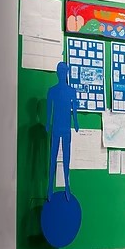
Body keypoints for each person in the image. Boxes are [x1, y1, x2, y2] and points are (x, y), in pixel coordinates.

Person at [47, 62, 79, 200]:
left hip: (66, 128)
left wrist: (76, 122)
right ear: (57, 73)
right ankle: (50, 187)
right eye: (60, 71)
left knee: (67, 159)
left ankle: (67, 186)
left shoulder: (71, 91)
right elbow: (49, 109)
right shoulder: (52, 91)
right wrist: (47, 123)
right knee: (52, 158)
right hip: (56, 128)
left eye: (63, 71)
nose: (61, 74)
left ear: (66, 73)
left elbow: (74, 109)